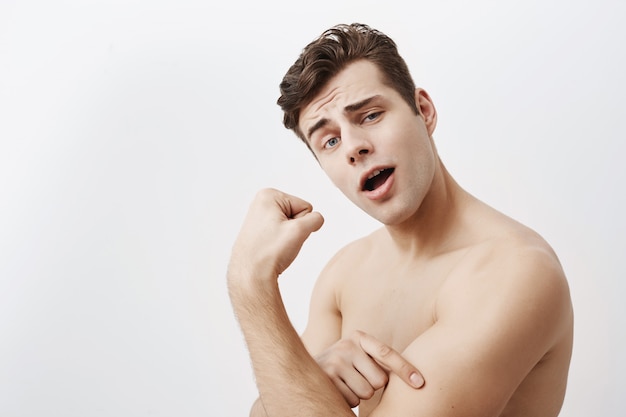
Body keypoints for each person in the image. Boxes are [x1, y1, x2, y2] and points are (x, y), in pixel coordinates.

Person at [227, 23, 573, 417]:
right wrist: (311, 379)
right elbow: (271, 404)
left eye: (370, 116)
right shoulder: (344, 274)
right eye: (330, 141)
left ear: (423, 111)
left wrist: (250, 285)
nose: (354, 147)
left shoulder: (514, 272)